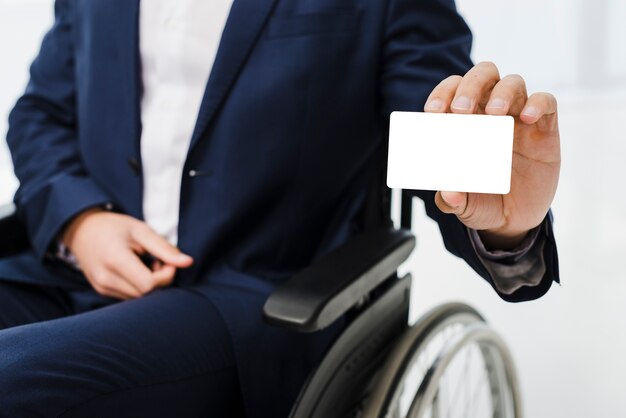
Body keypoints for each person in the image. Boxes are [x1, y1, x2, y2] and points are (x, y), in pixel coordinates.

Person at [0, 0, 560, 416]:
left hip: (247, 301)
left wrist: (511, 231)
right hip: (66, 267)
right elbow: (40, 113)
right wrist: (80, 221)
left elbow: (436, 136)